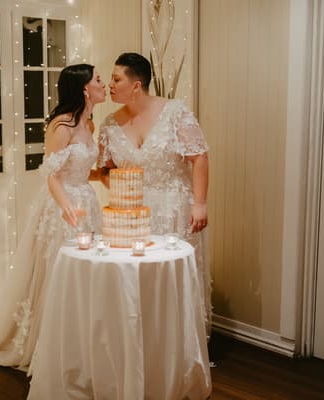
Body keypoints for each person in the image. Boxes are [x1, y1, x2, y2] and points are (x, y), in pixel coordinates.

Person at [0, 64, 106, 369]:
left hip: (86, 203)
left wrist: (100, 175)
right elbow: (52, 175)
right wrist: (66, 207)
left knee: (85, 271)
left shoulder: (90, 125)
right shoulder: (60, 125)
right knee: (58, 271)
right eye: (99, 80)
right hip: (61, 206)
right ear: (84, 89)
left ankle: (79, 338)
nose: (104, 84)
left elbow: (77, 170)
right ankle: (49, 343)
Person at [97, 52, 212, 331]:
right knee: (135, 275)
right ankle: (137, 337)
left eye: (116, 79)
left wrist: (200, 204)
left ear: (136, 85)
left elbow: (199, 157)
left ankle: (178, 341)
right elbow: (104, 169)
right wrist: (124, 192)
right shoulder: (109, 125)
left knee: (173, 276)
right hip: (133, 215)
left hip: (175, 208)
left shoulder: (175, 112)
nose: (110, 85)